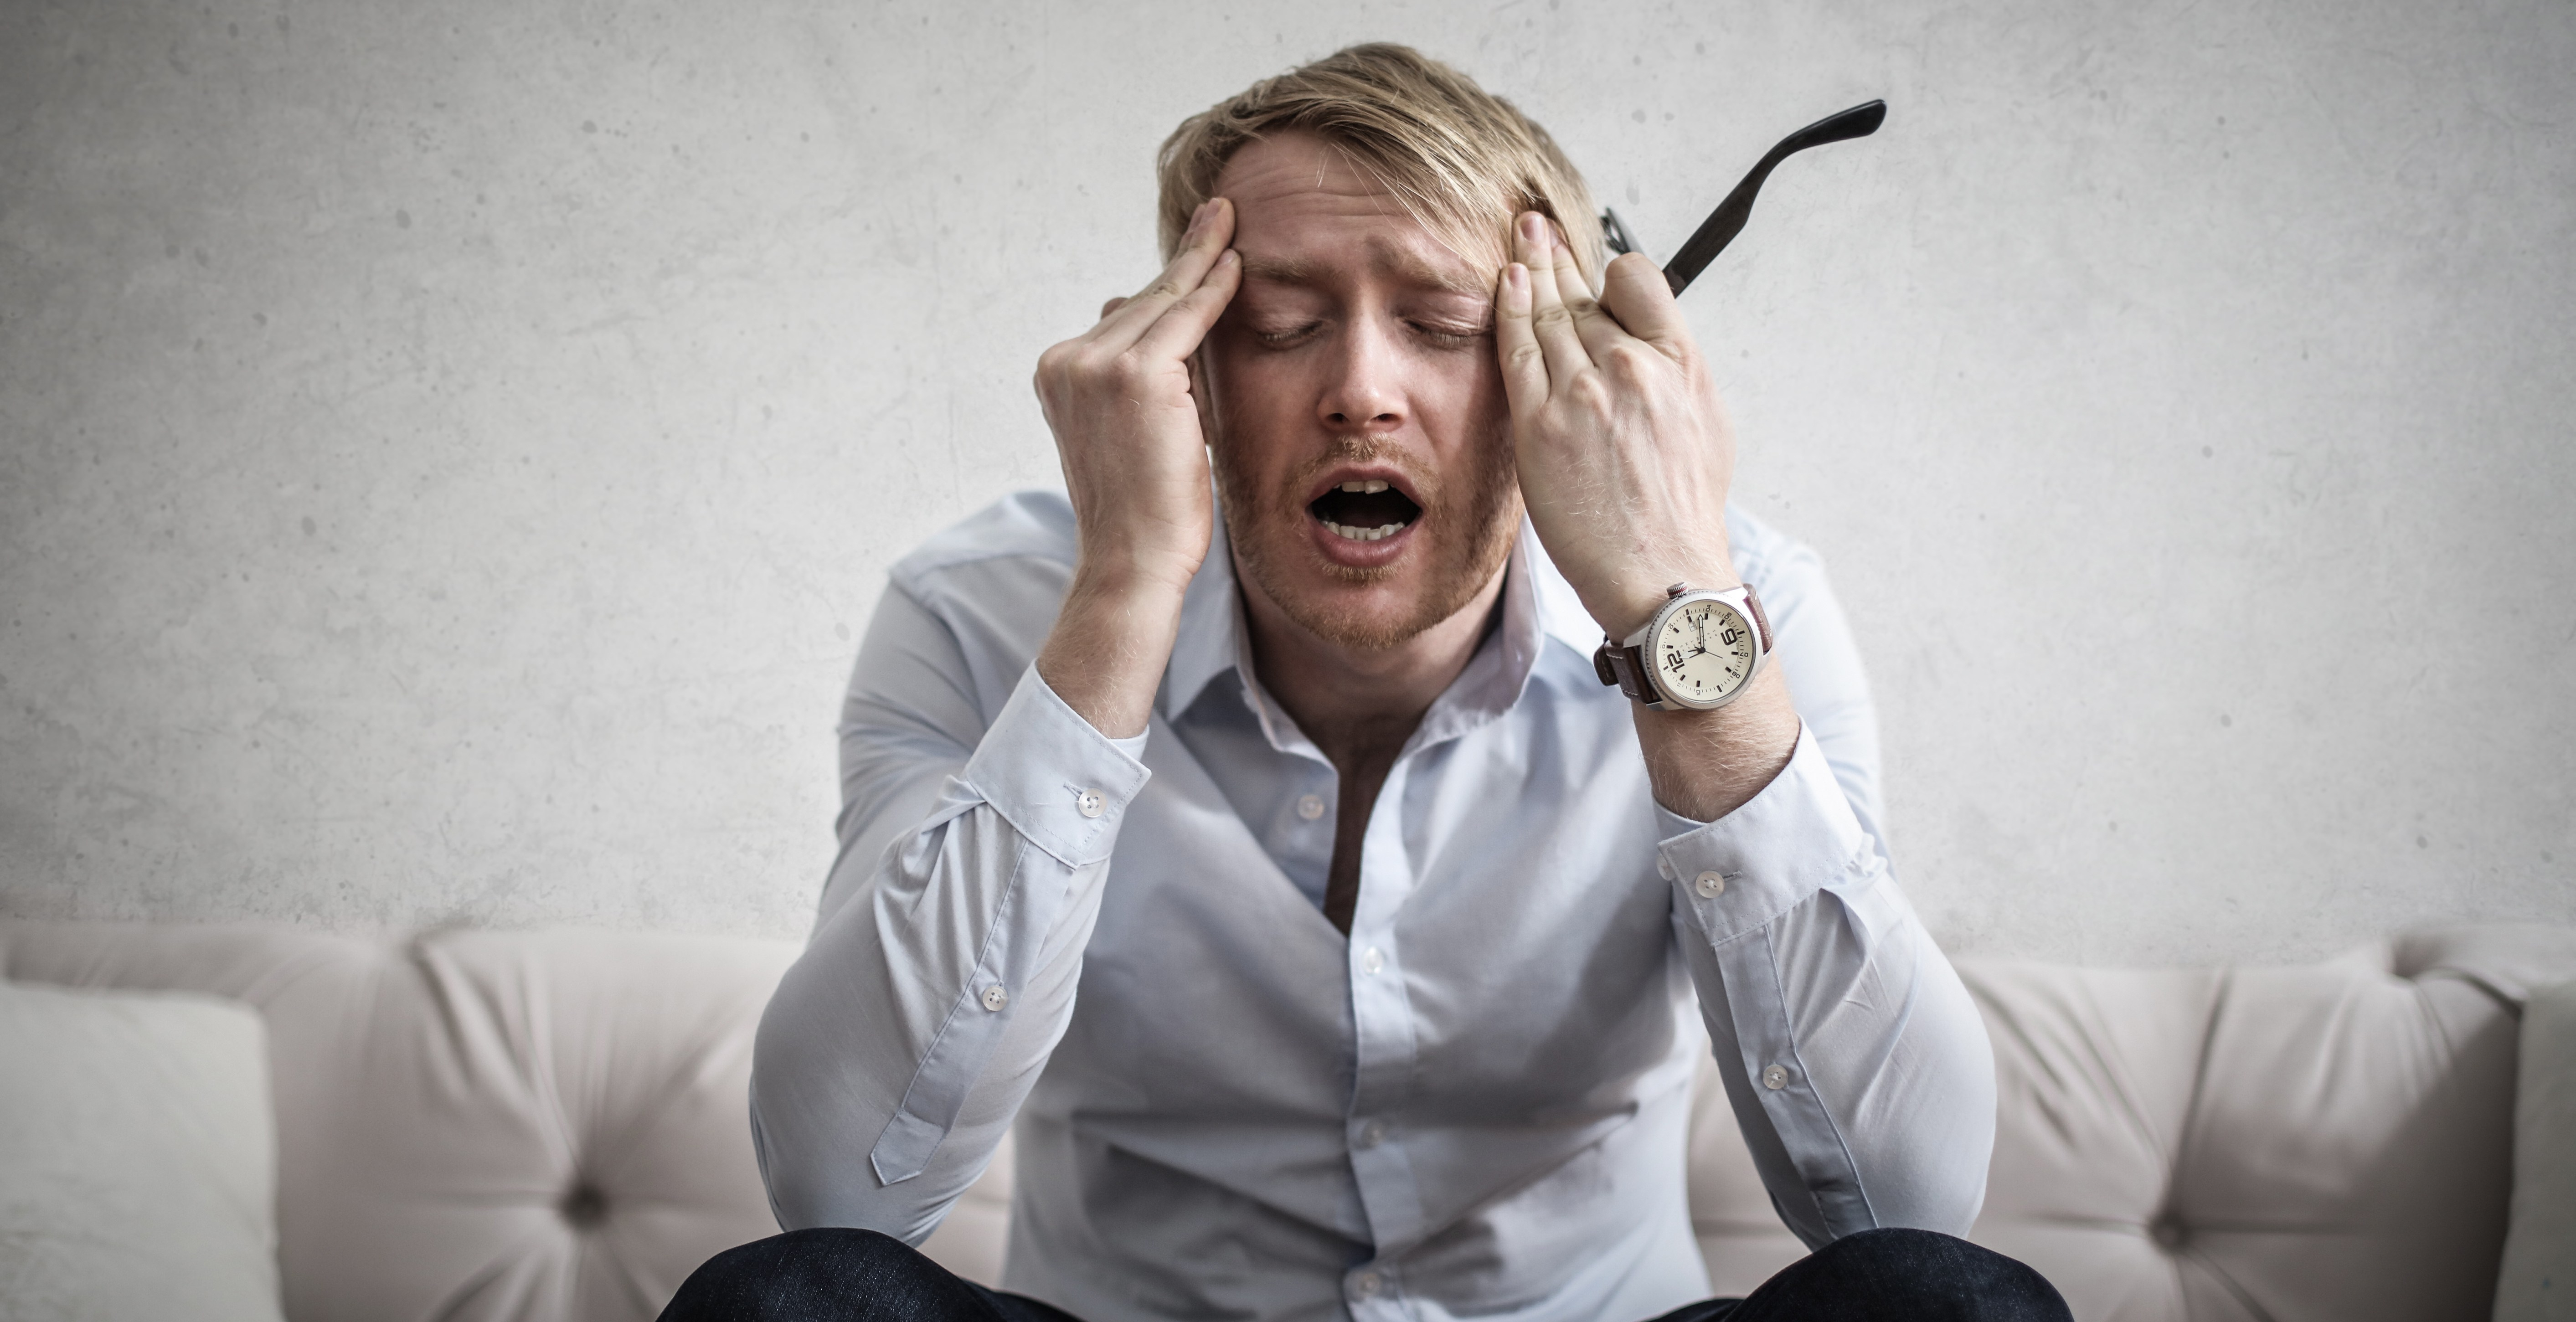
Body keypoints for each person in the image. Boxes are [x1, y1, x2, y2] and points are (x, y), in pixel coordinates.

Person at [667, 43, 2067, 1322]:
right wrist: (1117, 600)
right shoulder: (975, 613)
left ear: (1566, 378)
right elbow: (844, 1193)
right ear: (1188, 372)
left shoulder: (1740, 608)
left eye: (1447, 324)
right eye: (1277, 326)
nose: (1359, 392)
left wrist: (1670, 611)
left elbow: (1902, 1206)